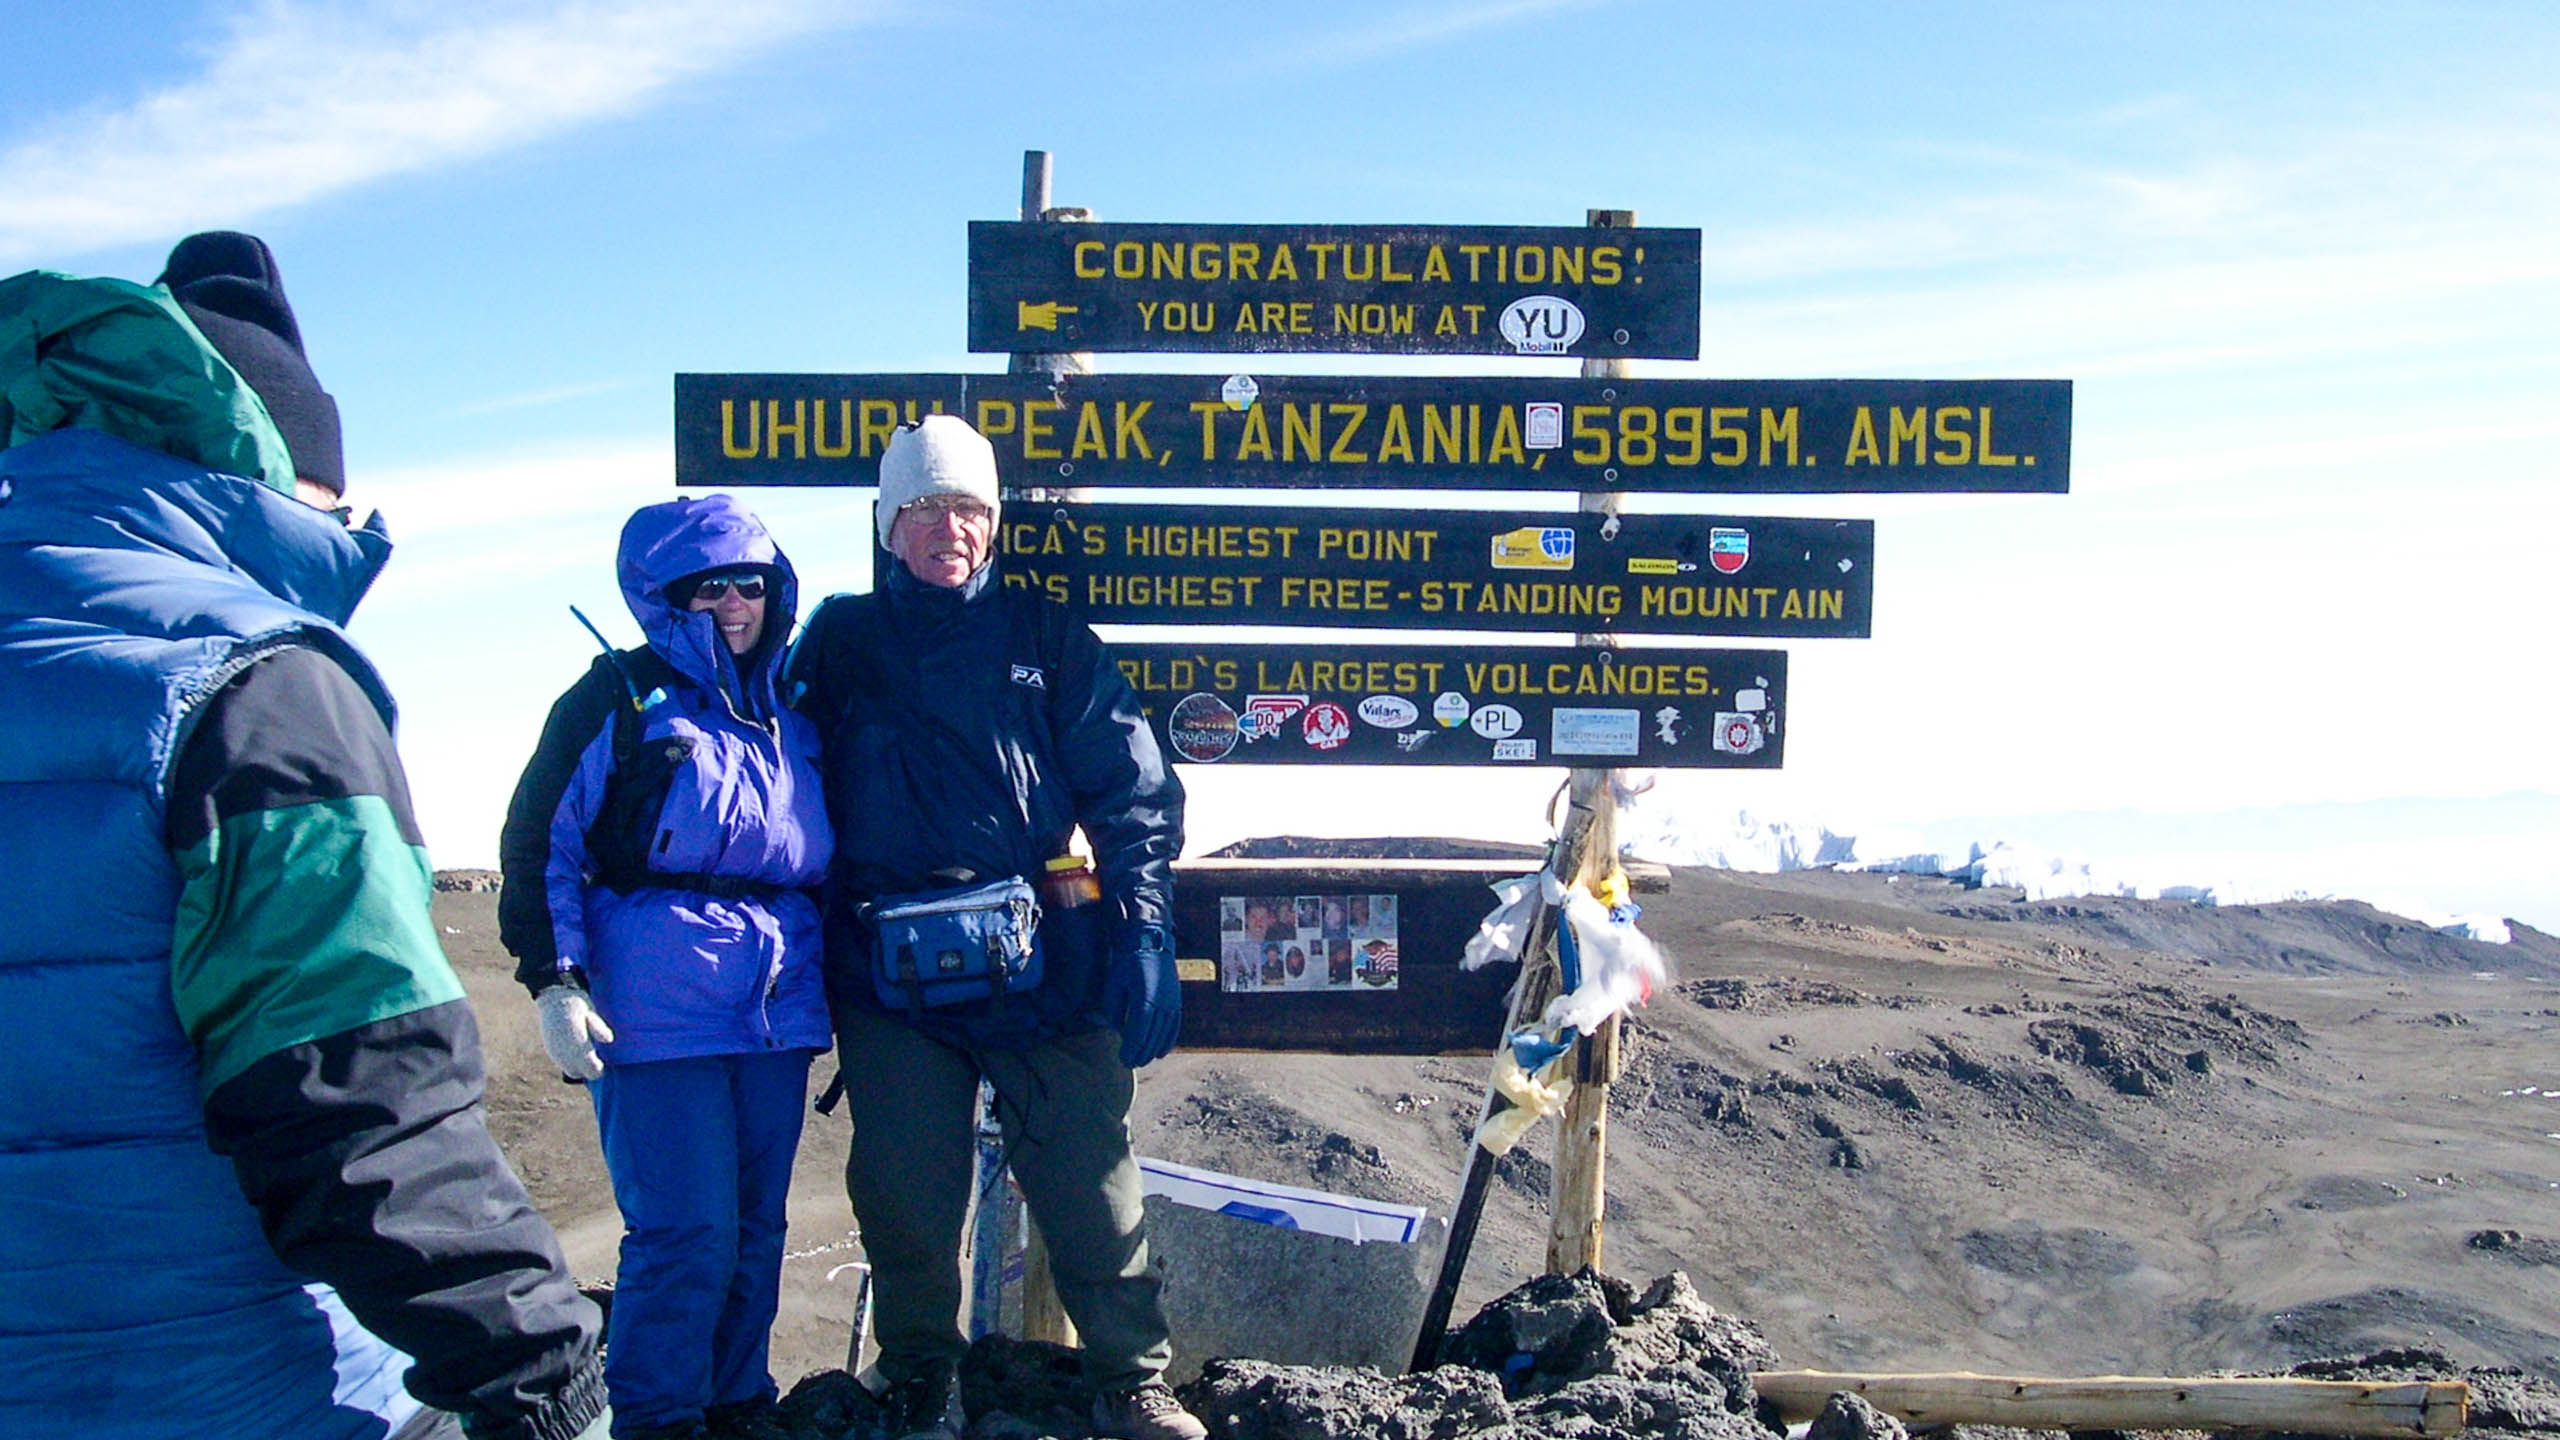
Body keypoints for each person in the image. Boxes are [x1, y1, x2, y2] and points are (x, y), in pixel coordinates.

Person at [0, 233, 606, 1439]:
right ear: (284, 471)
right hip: (214, 1381)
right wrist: (543, 1377)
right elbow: (357, 1102)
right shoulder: (254, 692)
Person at [786, 415, 1202, 1440]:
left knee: (1089, 1185)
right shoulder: (837, 642)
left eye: (968, 507)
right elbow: (770, 777)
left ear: (995, 521)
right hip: (892, 982)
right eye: (924, 507)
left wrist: (1143, 935)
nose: (949, 528)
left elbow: (1134, 795)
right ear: (887, 524)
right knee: (902, 1196)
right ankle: (923, 1373)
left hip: (1045, 965)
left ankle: (1130, 1381)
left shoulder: (1044, 637)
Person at [499, 495, 834, 1440]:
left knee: (756, 1230)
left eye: (751, 583)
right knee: (685, 1230)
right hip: (656, 1009)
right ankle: (657, 1417)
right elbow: (542, 843)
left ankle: (735, 1403)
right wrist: (556, 979)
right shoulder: (615, 697)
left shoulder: (793, 711)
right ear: (664, 596)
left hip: (776, 1009)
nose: (734, 603)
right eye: (708, 587)